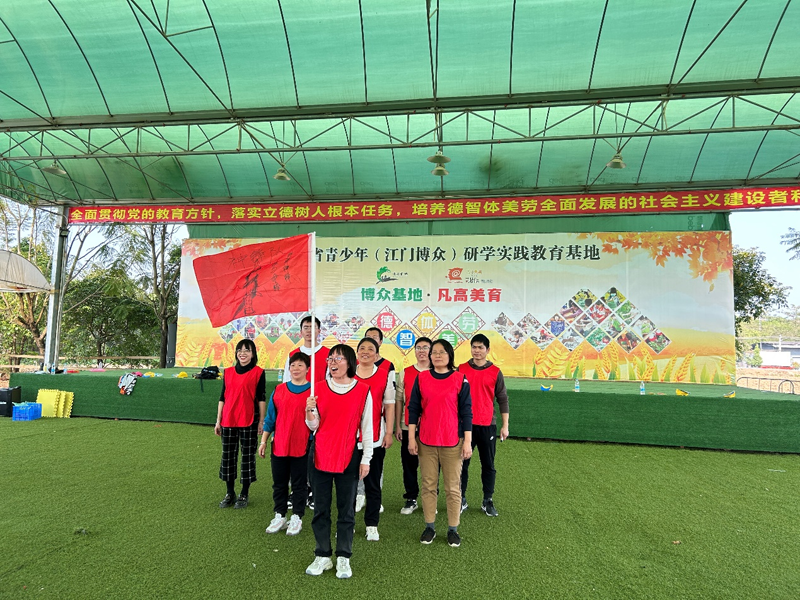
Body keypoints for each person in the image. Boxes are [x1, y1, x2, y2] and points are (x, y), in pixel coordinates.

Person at [304, 344, 373, 579]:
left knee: (346, 510)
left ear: (350, 362)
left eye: (338, 358)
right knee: (320, 509)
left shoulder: (362, 390)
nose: (333, 363)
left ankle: (344, 556)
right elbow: (314, 426)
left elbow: (367, 427)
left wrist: (366, 459)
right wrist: (309, 411)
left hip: (348, 456)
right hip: (320, 454)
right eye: (330, 359)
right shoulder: (318, 389)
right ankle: (322, 555)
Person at [407, 339, 472, 548]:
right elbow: (413, 409)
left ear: (450, 355)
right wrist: (411, 438)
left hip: (453, 441)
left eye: (442, 352)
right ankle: (429, 527)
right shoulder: (421, 378)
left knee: (453, 488)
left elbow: (466, 412)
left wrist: (467, 442)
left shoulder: (460, 379)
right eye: (434, 352)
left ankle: (453, 529)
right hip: (426, 441)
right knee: (428, 486)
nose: (437, 355)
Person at [259, 352, 312, 536]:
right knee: (279, 483)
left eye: (300, 365)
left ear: (307, 369)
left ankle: (297, 516)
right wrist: (264, 441)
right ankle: (280, 515)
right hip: (280, 445)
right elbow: (270, 419)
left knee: (299, 485)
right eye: (293, 365)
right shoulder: (279, 390)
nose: (296, 369)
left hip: (301, 446)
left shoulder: (313, 393)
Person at [458, 333, 509, 517]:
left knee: (488, 464)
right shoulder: (461, 369)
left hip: (487, 425)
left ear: (488, 350)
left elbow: (502, 399)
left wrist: (505, 425)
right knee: (461, 464)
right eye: (474, 347)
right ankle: (460, 498)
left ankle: (487, 500)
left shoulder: (495, 372)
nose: (477, 350)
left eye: (480, 347)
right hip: (464, 425)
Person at [214, 339, 266, 510]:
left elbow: (261, 398)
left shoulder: (259, 372)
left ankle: (244, 493)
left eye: (247, 350)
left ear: (253, 354)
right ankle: (230, 493)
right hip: (228, 420)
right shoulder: (228, 372)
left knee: (247, 458)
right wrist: (218, 421)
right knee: (228, 457)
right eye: (240, 350)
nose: (243, 353)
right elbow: (222, 397)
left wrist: (261, 421)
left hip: (249, 420)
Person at [354, 337, 395, 540]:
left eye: (370, 349)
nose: (366, 352)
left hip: (375, 437)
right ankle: (348, 523)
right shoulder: (347, 373)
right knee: (348, 485)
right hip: (349, 439)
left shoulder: (384, 375)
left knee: (372, 483)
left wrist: (388, 433)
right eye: (362, 348)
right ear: (356, 353)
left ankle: (372, 524)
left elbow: (389, 405)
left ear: (377, 354)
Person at [394, 336, 432, 514]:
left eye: (425, 347)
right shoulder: (406, 372)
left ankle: (430, 498)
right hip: (407, 425)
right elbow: (399, 400)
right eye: (418, 347)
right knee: (409, 464)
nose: (421, 351)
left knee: (431, 464)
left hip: (431, 426)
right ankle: (411, 498)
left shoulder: (438, 372)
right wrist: (397, 425)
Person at [283, 315, 329, 383]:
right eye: (306, 328)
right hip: (298, 390)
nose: (309, 331)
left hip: (320, 390)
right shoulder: (292, 355)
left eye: (312, 327)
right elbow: (287, 380)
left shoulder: (328, 354)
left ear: (319, 331)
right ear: (301, 332)